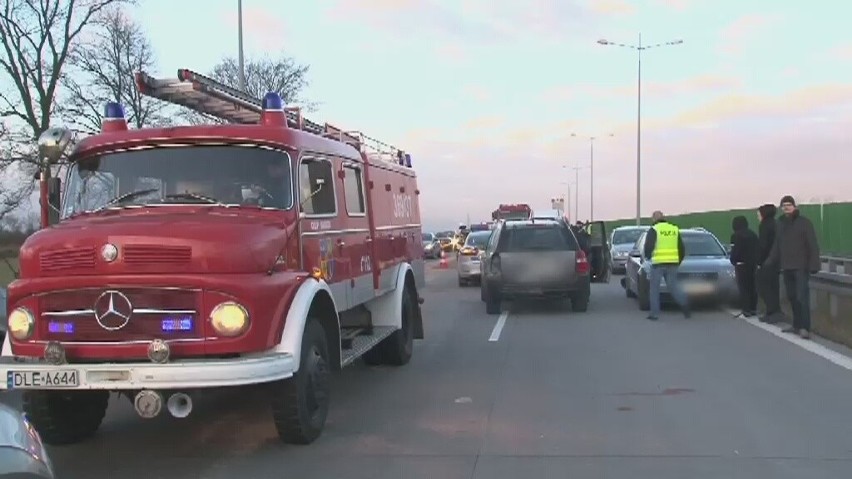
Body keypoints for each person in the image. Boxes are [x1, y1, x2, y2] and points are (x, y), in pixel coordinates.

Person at [764, 195, 820, 339]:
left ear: (794, 206)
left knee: (802, 297)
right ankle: (796, 325)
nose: (786, 207)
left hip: (801, 266)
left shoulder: (804, 223)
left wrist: (814, 264)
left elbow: (812, 244)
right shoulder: (781, 224)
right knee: (792, 297)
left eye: (789, 205)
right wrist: (768, 262)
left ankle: (805, 328)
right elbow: (777, 246)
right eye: (784, 206)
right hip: (787, 266)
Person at [643, 210, 690, 320]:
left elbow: (649, 246)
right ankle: (685, 305)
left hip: (658, 263)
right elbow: (681, 247)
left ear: (654, 219)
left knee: (654, 289)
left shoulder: (654, 229)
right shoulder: (674, 229)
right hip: (673, 262)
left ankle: (654, 314)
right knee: (673, 287)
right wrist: (678, 260)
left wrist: (648, 257)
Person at [756, 203, 781, 323]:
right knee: (774, 287)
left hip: (767, 261)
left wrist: (759, 261)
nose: (758, 217)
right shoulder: (776, 224)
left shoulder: (764, 226)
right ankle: (776, 311)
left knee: (763, 287)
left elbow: (763, 245)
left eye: (759, 214)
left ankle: (771, 312)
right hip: (777, 260)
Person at [729, 215, 759, 317]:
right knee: (752, 286)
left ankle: (746, 309)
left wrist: (733, 260)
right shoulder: (753, 235)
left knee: (743, 288)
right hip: (753, 264)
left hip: (741, 264)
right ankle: (753, 308)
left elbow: (735, 251)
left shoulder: (735, 236)